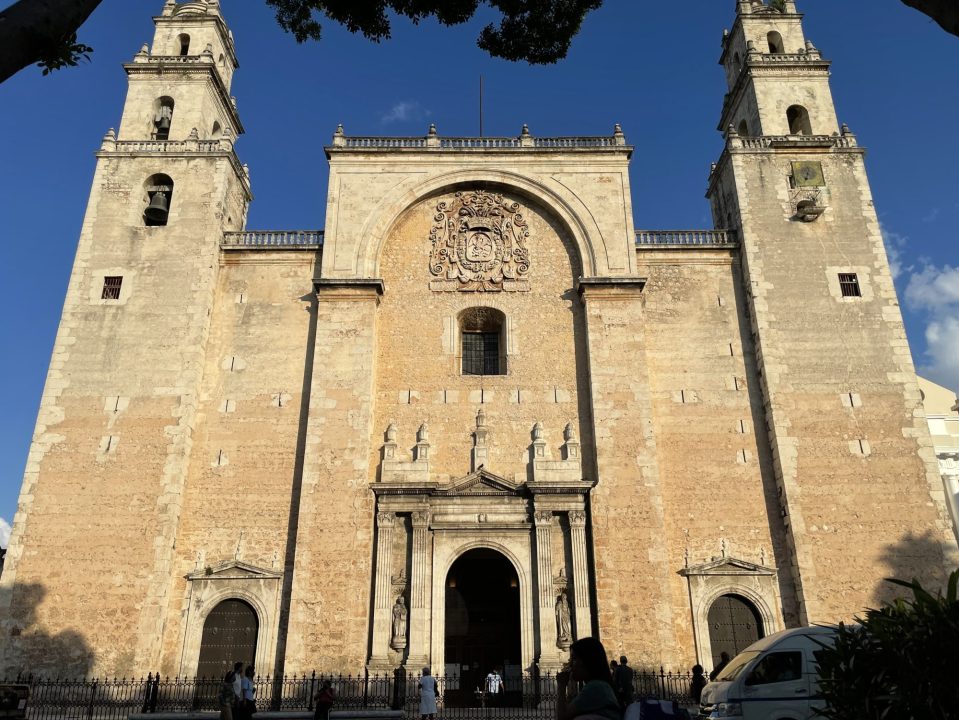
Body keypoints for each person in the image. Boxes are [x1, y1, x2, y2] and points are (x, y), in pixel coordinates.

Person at [556, 637, 621, 720]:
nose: (570, 664)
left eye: (574, 658)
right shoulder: (600, 686)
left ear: (586, 661)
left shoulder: (595, 687)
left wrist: (561, 686)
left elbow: (562, 717)